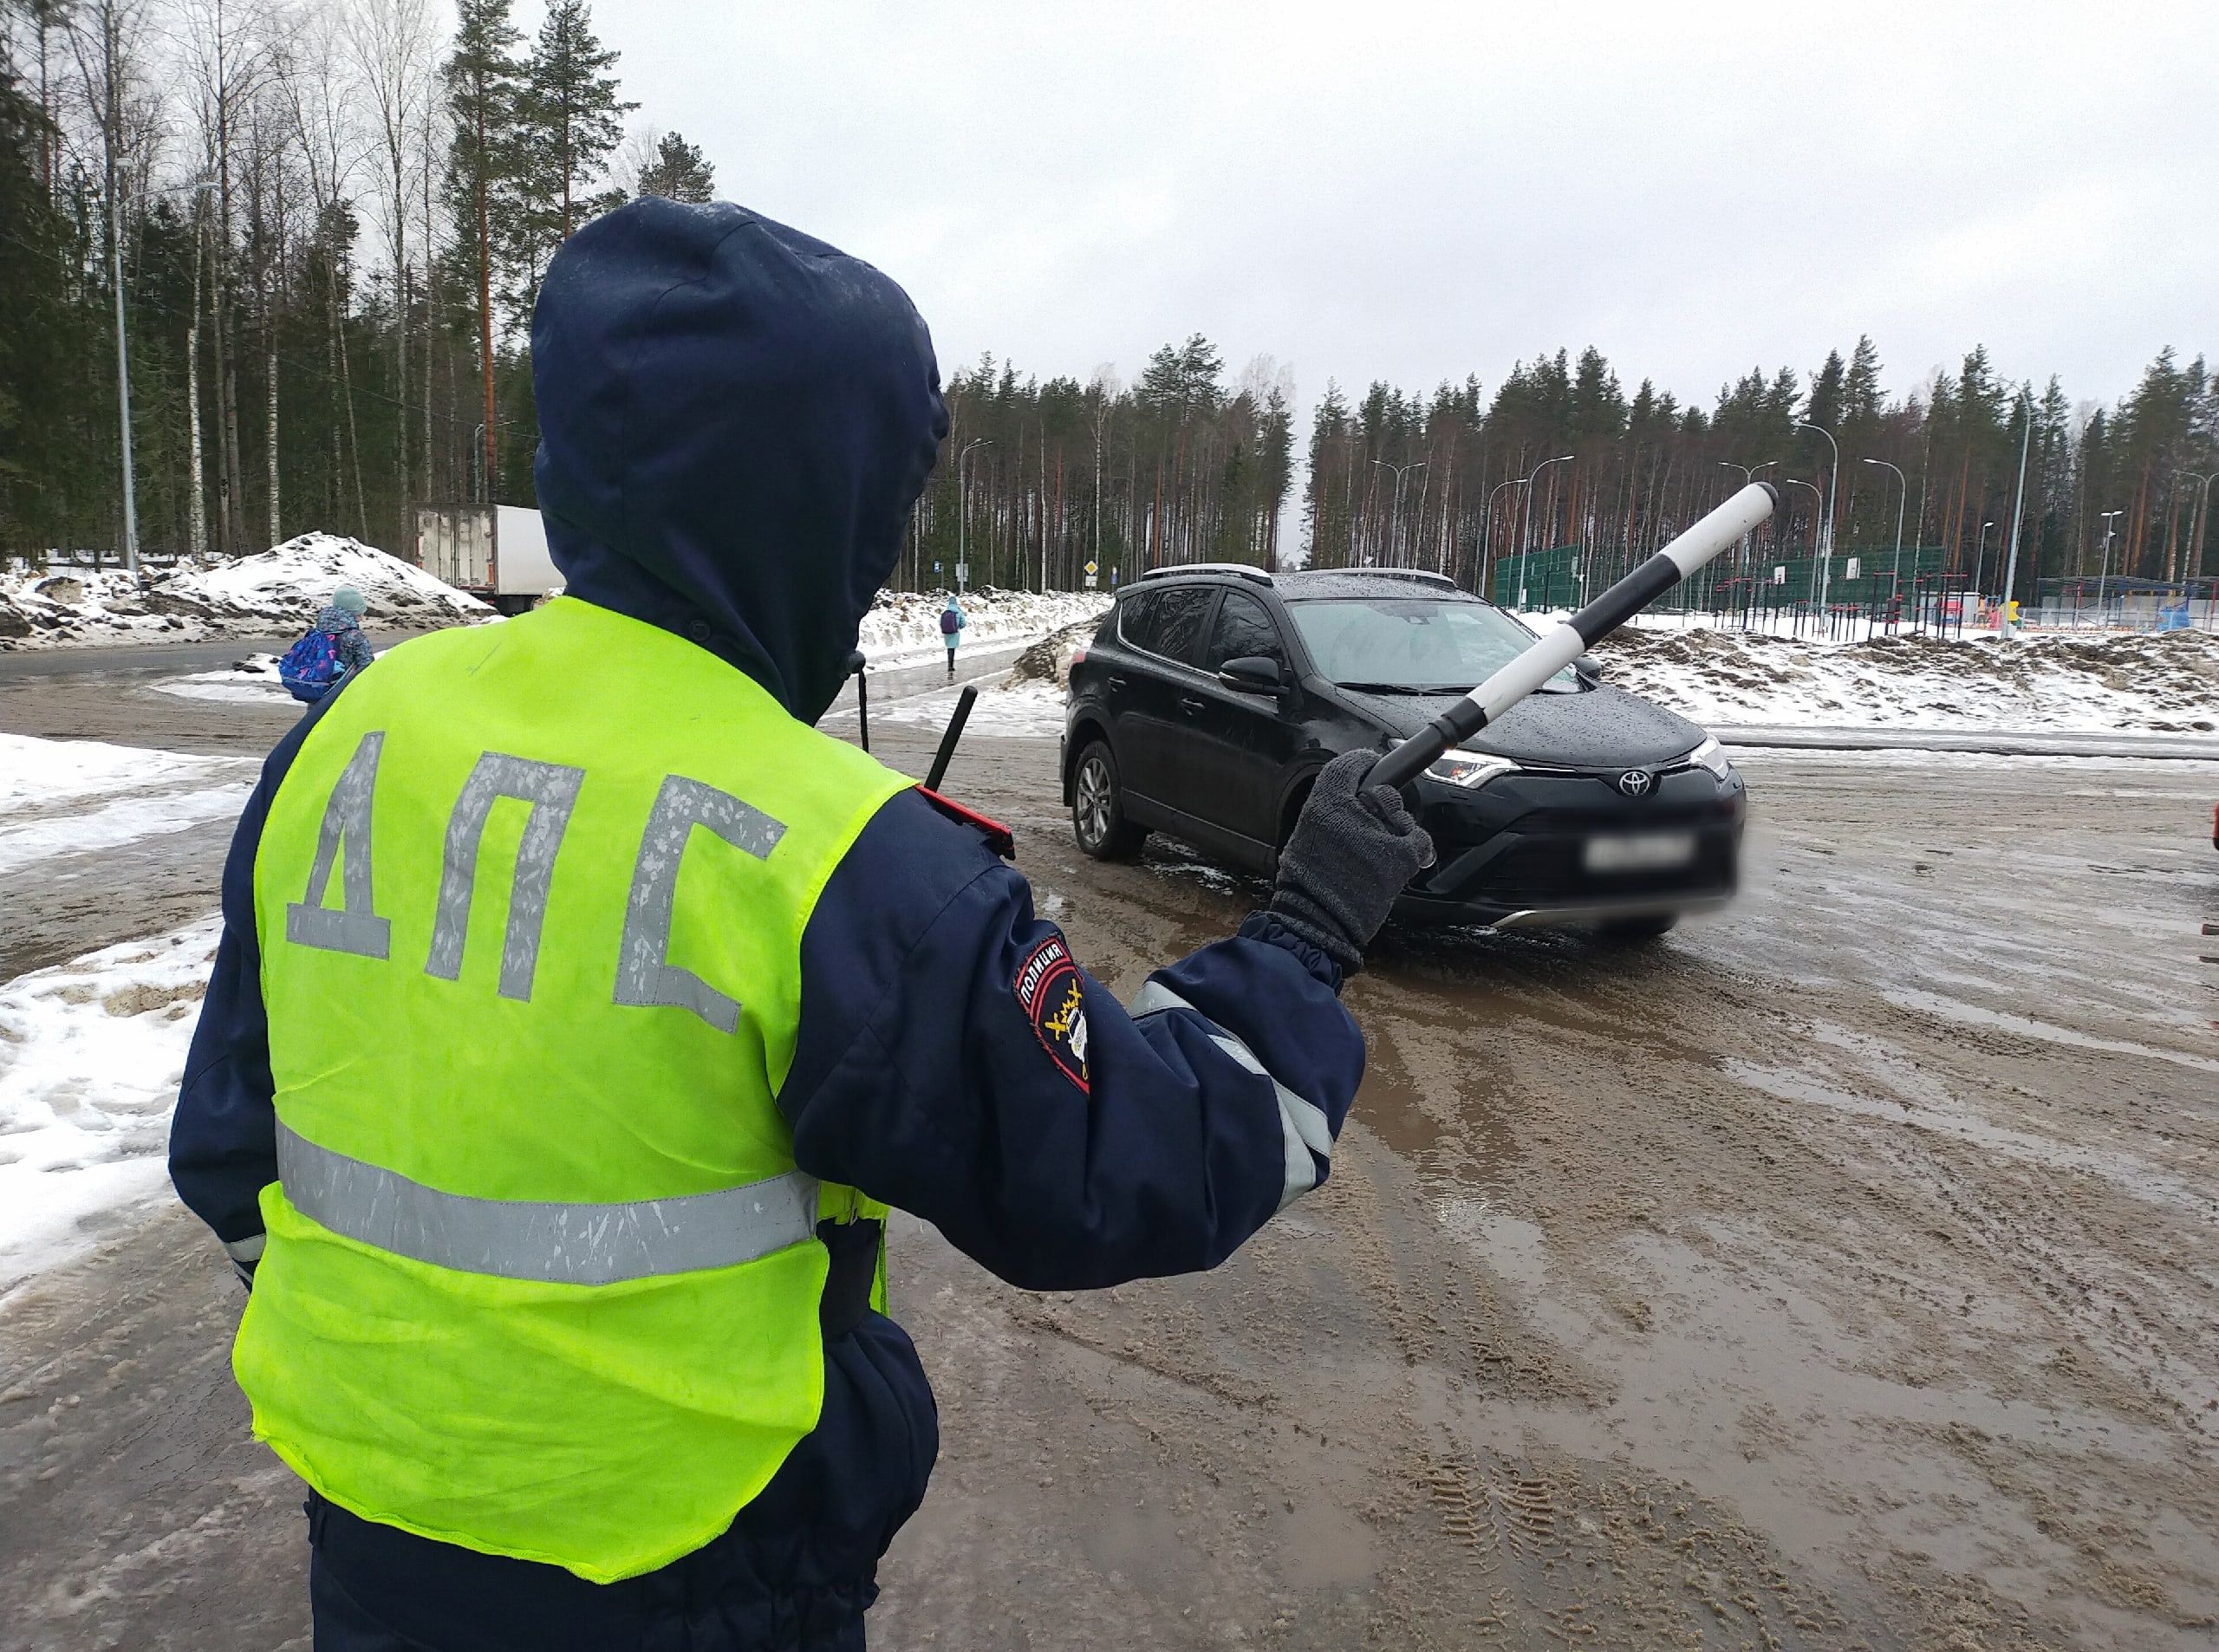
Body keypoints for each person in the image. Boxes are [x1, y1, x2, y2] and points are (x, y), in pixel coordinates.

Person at [168, 198, 1430, 1652]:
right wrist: (1308, 933)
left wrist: (423, 1403)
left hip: (377, 1554)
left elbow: (225, 1142)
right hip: (696, 1576)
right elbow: (1111, 1166)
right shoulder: (839, 851)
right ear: (811, 510)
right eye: (880, 515)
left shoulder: (358, 734)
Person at [277, 586, 375, 704]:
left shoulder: (319, 630)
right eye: (360, 613)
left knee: (316, 719)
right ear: (353, 612)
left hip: (319, 688)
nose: (361, 617)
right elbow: (367, 665)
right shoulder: (354, 635)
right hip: (343, 692)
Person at [940, 590, 965, 678]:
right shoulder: (958, 612)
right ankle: (951, 665)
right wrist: (959, 627)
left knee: (949, 649)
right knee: (953, 649)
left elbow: (941, 622)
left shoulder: (945, 612)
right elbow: (963, 623)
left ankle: (949, 664)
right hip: (955, 632)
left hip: (947, 632)